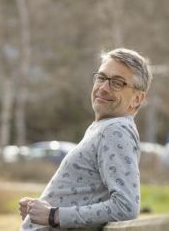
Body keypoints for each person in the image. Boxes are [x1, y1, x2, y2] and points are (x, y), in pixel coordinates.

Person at [19, 48, 152, 230]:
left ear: (137, 99)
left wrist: (53, 215)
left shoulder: (116, 130)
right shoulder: (105, 126)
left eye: (117, 83)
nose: (103, 88)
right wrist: (39, 211)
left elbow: (126, 207)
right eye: (101, 77)